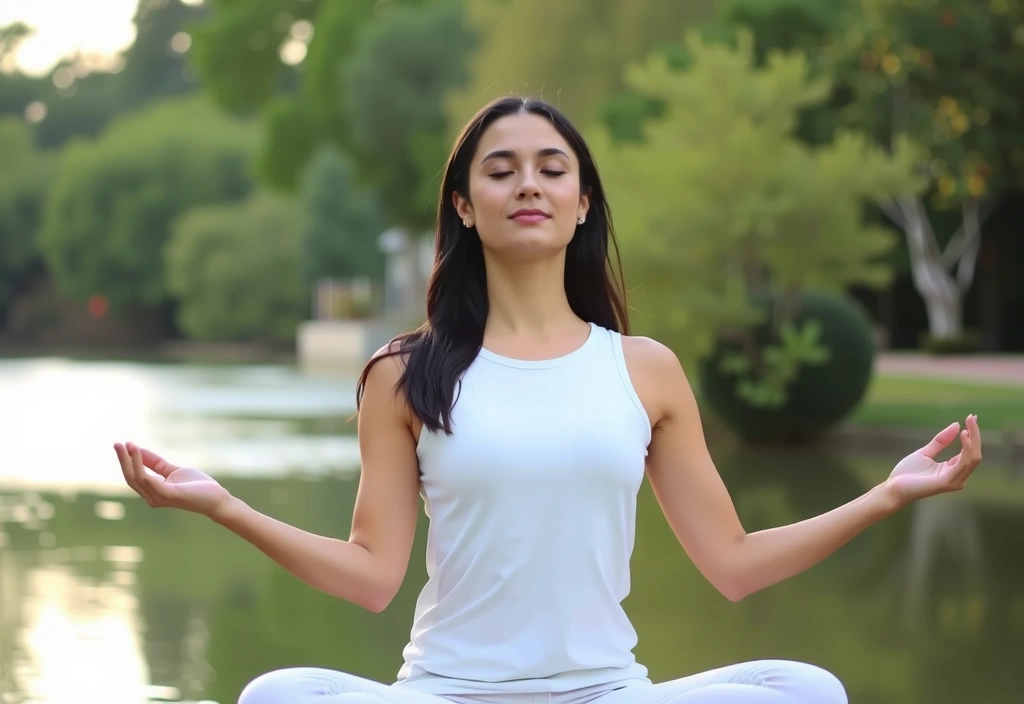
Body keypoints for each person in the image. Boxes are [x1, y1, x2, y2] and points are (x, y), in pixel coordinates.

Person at [114, 96, 984, 704]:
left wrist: (886, 494)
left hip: (608, 694)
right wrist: (224, 506)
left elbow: (735, 562)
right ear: (464, 205)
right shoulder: (404, 373)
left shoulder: (644, 370)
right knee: (278, 695)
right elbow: (373, 576)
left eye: (550, 168)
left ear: (580, 204)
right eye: (501, 170)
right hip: (446, 695)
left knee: (808, 691)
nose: (527, 184)